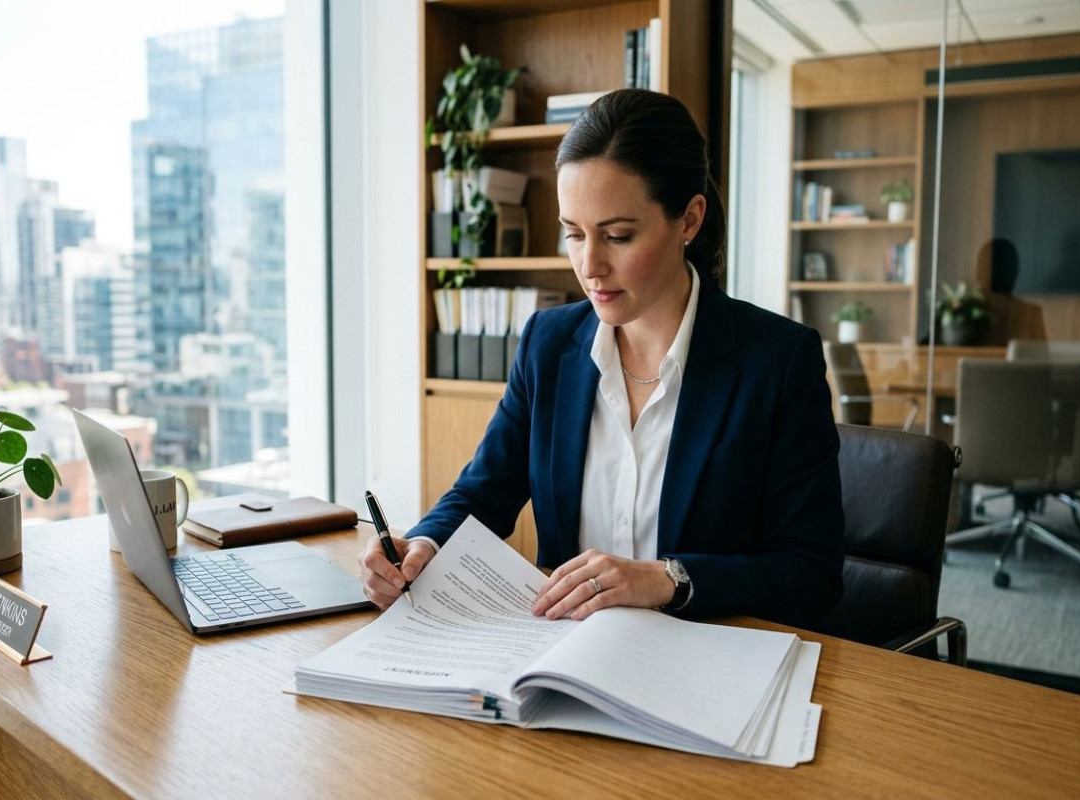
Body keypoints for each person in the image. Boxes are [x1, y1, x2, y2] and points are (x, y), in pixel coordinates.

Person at [359, 89, 844, 626]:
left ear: (688, 219)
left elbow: (811, 575)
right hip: (563, 655)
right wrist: (425, 542)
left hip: (705, 657)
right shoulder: (548, 343)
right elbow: (485, 489)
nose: (589, 266)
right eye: (573, 234)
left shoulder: (777, 360)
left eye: (617, 236)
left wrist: (666, 580)